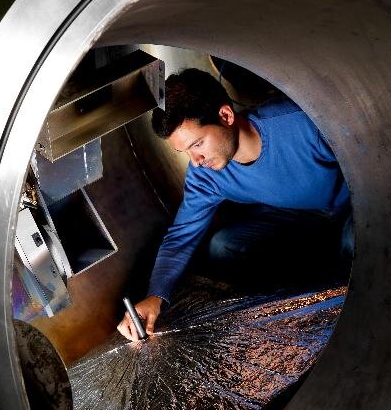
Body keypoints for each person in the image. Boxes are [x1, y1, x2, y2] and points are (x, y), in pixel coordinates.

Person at [117, 68, 352, 341]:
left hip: (354, 208)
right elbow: (181, 237)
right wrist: (155, 296)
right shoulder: (205, 174)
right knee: (224, 246)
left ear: (226, 116)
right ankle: (306, 302)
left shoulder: (301, 122)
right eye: (186, 152)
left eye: (198, 144)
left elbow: (376, 166)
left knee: (353, 241)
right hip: (301, 219)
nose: (196, 160)